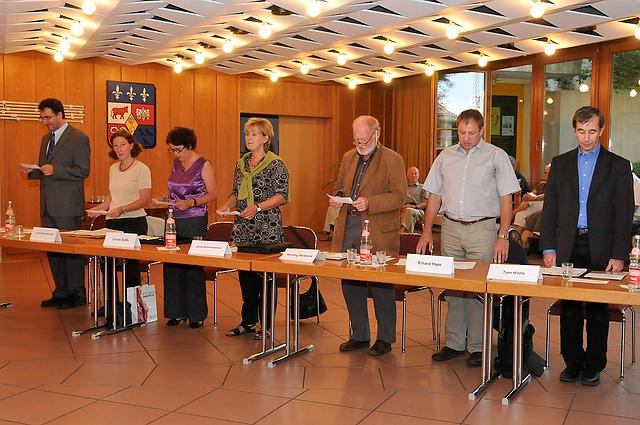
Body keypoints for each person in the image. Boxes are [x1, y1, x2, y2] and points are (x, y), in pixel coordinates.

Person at [417, 109, 520, 367]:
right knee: (453, 288)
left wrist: (503, 235)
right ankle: (454, 343)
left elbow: (506, 198)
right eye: (462, 132)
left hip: (482, 228)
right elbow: (434, 197)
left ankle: (477, 346)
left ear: (482, 131)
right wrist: (427, 231)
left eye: (471, 133)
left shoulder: (496, 156)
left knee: (477, 290)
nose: (466, 138)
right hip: (451, 227)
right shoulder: (445, 156)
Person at [540, 106, 633, 387]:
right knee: (568, 307)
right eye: (581, 131)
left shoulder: (618, 166)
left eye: (592, 131)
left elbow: (624, 214)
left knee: (597, 310)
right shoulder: (560, 163)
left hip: (602, 248)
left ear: (601, 130)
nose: (587, 138)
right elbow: (550, 208)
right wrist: (548, 248)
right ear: (574, 130)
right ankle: (572, 363)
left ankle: (593, 365)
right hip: (567, 245)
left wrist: (619, 254)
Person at [329, 115, 406, 356]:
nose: (360, 145)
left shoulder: (393, 159)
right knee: (351, 284)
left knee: (382, 286)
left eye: (364, 140)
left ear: (377, 134)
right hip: (349, 227)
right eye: (356, 140)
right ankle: (359, 335)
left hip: (378, 230)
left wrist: (370, 202)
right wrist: (338, 198)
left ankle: (385, 338)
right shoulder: (348, 157)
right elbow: (340, 186)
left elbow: (399, 196)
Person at [219, 118, 289, 340]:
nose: (249, 138)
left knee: (265, 278)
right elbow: (235, 192)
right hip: (243, 227)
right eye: (247, 134)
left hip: (267, 228)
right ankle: (248, 321)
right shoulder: (241, 163)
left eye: (254, 134)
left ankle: (266, 325)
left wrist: (257, 207)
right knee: (246, 278)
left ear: (266, 138)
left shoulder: (276, 164)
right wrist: (227, 205)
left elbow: (282, 195)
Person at [22, 98, 90, 309]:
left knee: (70, 251)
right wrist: (33, 171)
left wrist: (56, 170)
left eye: (48, 117)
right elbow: (46, 169)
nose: (45, 122)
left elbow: (83, 171)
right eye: (42, 118)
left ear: (60, 114)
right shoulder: (46, 139)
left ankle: (77, 293)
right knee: (53, 250)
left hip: (67, 205)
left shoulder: (78, 138)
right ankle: (61, 291)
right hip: (48, 204)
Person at [87, 129, 151, 322]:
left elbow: (145, 199)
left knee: (130, 266)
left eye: (122, 144)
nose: (119, 149)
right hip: (113, 222)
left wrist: (122, 209)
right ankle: (112, 305)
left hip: (134, 221)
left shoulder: (141, 169)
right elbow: (111, 196)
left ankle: (131, 308)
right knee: (107, 263)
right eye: (115, 146)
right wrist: (99, 209)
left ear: (131, 145)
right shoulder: (114, 168)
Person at [158, 127, 217, 329]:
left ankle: (196, 314)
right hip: (174, 218)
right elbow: (174, 189)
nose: (175, 154)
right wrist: (165, 200)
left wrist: (192, 202)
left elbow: (213, 194)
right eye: (172, 150)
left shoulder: (204, 164)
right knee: (172, 264)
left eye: (178, 149)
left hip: (194, 219)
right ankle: (176, 311)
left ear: (189, 146)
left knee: (192, 267)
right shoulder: (176, 164)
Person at [512, 164, 550, 234]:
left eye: (548, 173)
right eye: (545, 173)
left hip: (545, 205)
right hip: (535, 205)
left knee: (529, 201)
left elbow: (548, 196)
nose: (546, 175)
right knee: (520, 214)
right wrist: (528, 196)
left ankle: (512, 214)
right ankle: (518, 237)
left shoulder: (555, 185)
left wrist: (534, 198)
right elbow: (532, 193)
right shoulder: (542, 184)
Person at [400, 166, 428, 233]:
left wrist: (414, 207)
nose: (413, 175)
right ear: (407, 175)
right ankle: (407, 237)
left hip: (418, 210)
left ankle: (401, 231)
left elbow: (426, 203)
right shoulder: (403, 188)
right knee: (411, 219)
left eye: (415, 173)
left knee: (409, 211)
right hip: (404, 209)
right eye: (411, 173)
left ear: (418, 175)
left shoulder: (422, 187)